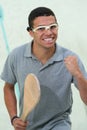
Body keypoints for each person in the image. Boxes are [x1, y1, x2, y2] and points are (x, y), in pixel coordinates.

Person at [1, 6, 87, 130]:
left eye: (53, 27)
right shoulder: (16, 56)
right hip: (28, 125)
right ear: (31, 32)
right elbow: (8, 88)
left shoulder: (71, 58)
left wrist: (78, 75)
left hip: (59, 123)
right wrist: (14, 118)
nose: (49, 33)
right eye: (41, 29)